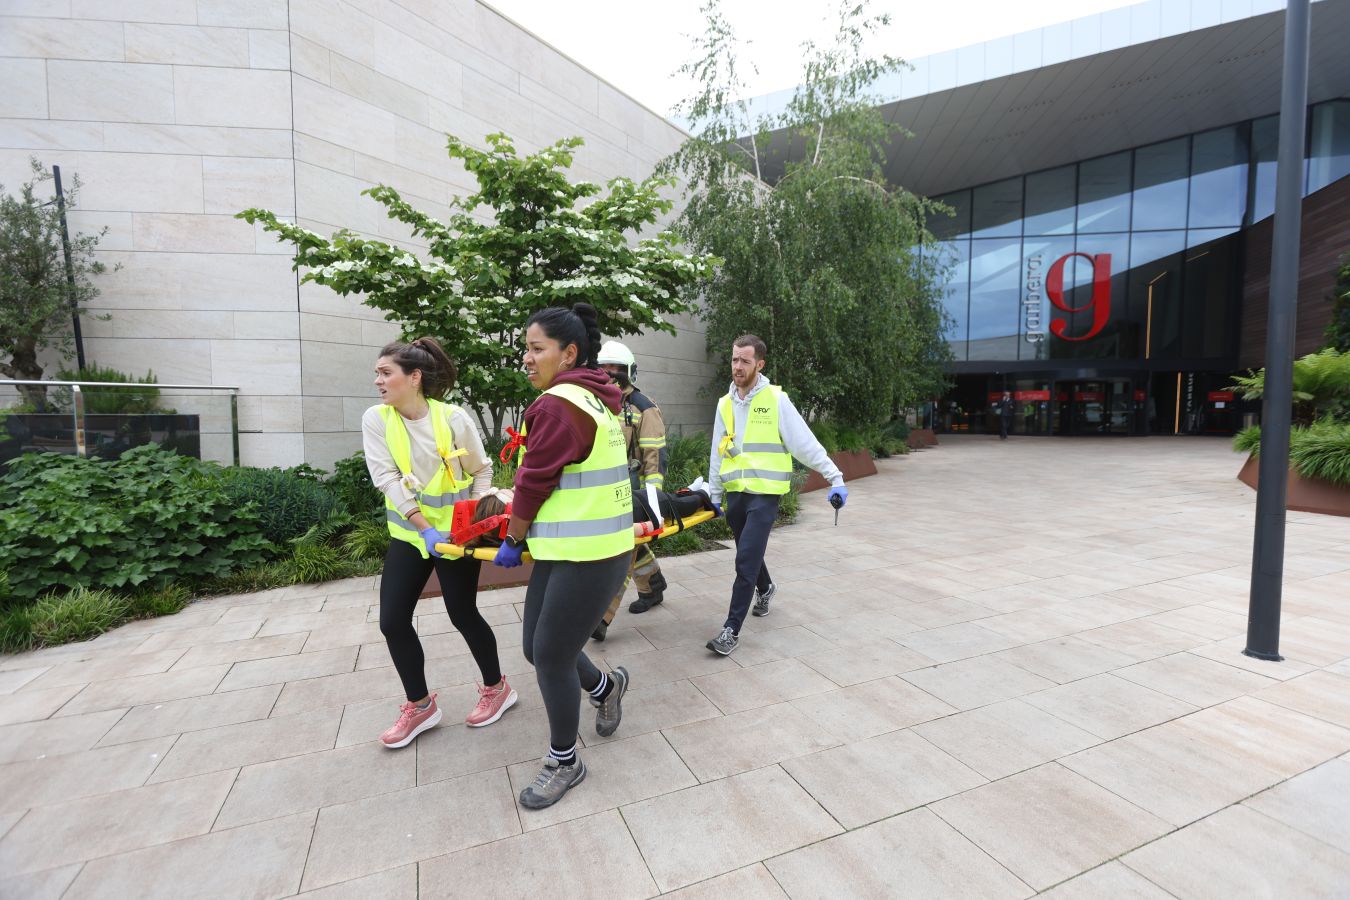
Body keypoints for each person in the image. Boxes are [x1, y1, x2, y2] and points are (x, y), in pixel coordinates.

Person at [494, 303, 635, 810]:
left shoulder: (558, 404)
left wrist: (511, 539)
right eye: (525, 349)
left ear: (568, 352)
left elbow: (533, 482)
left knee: (550, 655)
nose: (527, 359)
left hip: (592, 554)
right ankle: (605, 686)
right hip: (571, 548)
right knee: (537, 648)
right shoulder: (595, 397)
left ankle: (565, 760)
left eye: (537, 349)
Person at [362, 338, 517, 749]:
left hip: (457, 538)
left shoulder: (452, 419)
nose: (377, 380)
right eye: (378, 372)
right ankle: (420, 705)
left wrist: (472, 519)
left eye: (385, 372)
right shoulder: (377, 420)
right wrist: (422, 527)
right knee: (392, 621)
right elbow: (387, 479)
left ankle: (497, 688)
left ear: (414, 378)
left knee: (462, 613)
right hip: (412, 536)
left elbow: (482, 470)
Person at [705, 334, 848, 656]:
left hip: (765, 494)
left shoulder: (775, 400)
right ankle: (766, 587)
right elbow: (718, 451)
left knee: (745, 560)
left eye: (744, 360)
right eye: (734, 359)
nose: (737, 366)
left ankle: (731, 629)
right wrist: (714, 493)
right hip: (736, 495)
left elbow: (803, 443)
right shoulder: (724, 404)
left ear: (760, 364)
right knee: (748, 552)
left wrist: (834, 476)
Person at [590, 340, 669, 641]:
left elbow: (654, 458)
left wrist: (653, 499)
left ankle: (600, 617)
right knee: (631, 545)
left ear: (629, 372)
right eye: (603, 367)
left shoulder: (643, 408)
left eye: (616, 369)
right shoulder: (592, 402)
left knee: (620, 552)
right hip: (599, 491)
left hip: (630, 490)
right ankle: (653, 584)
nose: (609, 373)